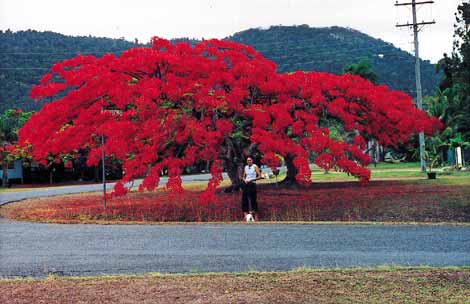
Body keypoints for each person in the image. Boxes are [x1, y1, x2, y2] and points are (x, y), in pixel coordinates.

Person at [241, 156, 262, 221]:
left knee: (253, 199)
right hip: (246, 184)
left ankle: (256, 216)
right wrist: (244, 180)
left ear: (252, 161)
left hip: (252, 183)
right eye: (248, 160)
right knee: (244, 199)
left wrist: (252, 179)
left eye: (250, 160)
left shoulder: (255, 166)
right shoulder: (246, 167)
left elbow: (260, 176)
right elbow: (243, 176)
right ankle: (245, 215)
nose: (249, 161)